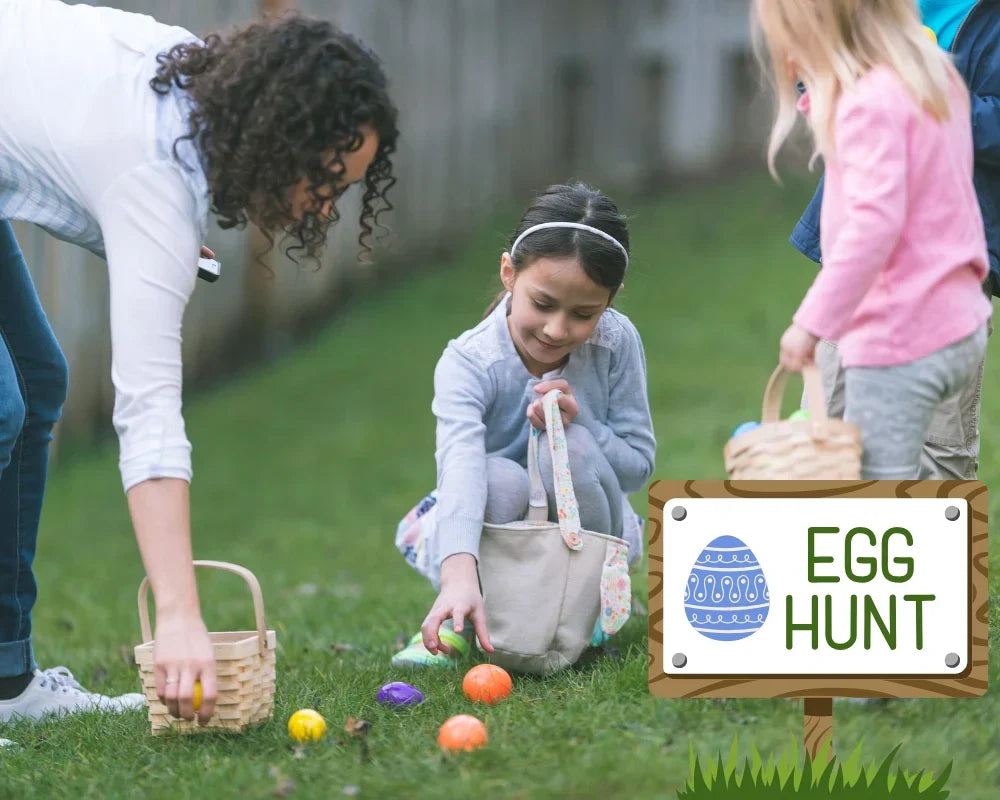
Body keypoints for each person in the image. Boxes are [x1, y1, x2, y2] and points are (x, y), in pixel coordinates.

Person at [0, 0, 398, 722]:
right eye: (325, 180)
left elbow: (75, 156)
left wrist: (154, 246)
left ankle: (4, 681)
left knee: (33, 382)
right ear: (279, 135)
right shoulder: (154, 176)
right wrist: (180, 615)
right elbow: (147, 415)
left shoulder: (195, 90)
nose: (323, 208)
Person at [391, 183, 656, 667]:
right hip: (494, 521)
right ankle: (462, 618)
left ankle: (586, 613)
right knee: (499, 476)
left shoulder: (616, 344)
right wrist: (457, 574)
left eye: (584, 314)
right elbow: (461, 470)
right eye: (543, 303)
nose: (557, 330)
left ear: (611, 299)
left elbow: (637, 469)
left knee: (571, 448)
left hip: (584, 517)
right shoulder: (470, 362)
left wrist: (586, 424)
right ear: (509, 273)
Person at [755, 0, 991, 480]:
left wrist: (811, 323)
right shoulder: (931, 78)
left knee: (875, 488)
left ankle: (891, 552)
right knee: (880, 472)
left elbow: (874, 224)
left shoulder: (868, 103)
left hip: (899, 331)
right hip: (958, 319)